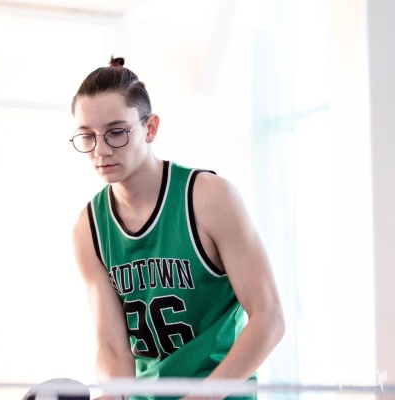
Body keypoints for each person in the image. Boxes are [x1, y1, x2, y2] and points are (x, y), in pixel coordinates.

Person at [69, 56, 285, 400]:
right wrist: (114, 394)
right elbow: (112, 346)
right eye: (87, 136)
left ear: (150, 128)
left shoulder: (209, 199)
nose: (102, 150)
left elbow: (269, 318)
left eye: (116, 132)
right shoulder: (89, 227)